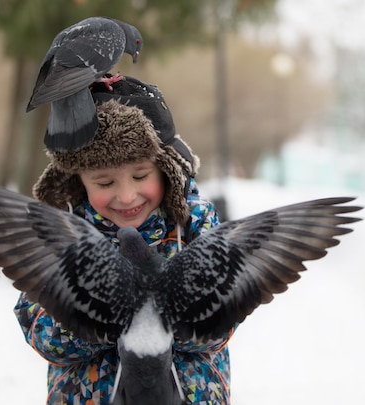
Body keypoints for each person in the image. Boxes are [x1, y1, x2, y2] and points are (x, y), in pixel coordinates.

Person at [14, 76, 232, 404]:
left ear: (166, 168)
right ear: (78, 182)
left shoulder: (194, 223)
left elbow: (220, 326)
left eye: (141, 176)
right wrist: (98, 316)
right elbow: (39, 328)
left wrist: (160, 313)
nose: (127, 196)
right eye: (104, 182)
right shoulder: (62, 233)